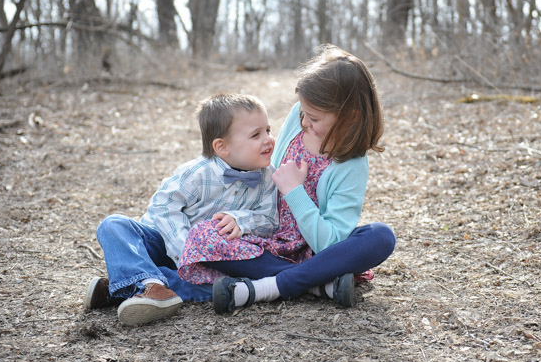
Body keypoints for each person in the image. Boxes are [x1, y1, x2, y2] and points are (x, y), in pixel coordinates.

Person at [206, 44, 396, 313]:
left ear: (349, 117)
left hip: (316, 252)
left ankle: (267, 288)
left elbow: (329, 243)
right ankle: (318, 284)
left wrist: (295, 191)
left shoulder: (352, 165)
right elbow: (265, 169)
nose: (305, 121)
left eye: (315, 117)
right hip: (266, 237)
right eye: (303, 112)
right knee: (207, 235)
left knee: (381, 236)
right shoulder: (298, 118)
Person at [83, 93, 278, 326]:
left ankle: (131, 286)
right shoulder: (196, 173)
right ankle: (149, 285)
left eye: (268, 130)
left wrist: (241, 220)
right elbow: (163, 208)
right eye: (256, 135)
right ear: (222, 147)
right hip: (164, 243)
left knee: (225, 285)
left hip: (210, 260)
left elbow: (270, 220)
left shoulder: (268, 177)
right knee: (113, 225)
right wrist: (185, 251)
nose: (268, 139)